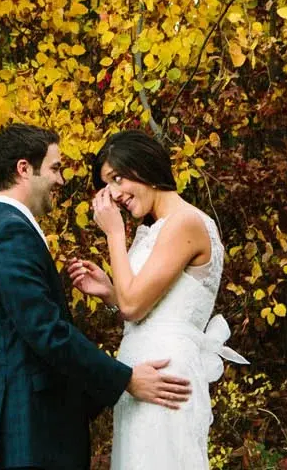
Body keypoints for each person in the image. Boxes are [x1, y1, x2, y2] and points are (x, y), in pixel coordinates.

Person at [0, 123, 192, 470]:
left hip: (34, 429)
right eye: (55, 168)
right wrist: (126, 380)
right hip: (26, 433)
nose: (61, 180)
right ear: (24, 169)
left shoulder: (6, 228)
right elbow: (47, 333)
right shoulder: (9, 233)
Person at [67, 129, 248, 470]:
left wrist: (114, 234)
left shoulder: (185, 223)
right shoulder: (154, 229)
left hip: (167, 376)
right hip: (142, 377)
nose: (115, 194)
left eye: (117, 178)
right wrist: (109, 291)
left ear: (144, 165)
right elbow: (139, 310)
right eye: (107, 185)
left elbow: (135, 305)